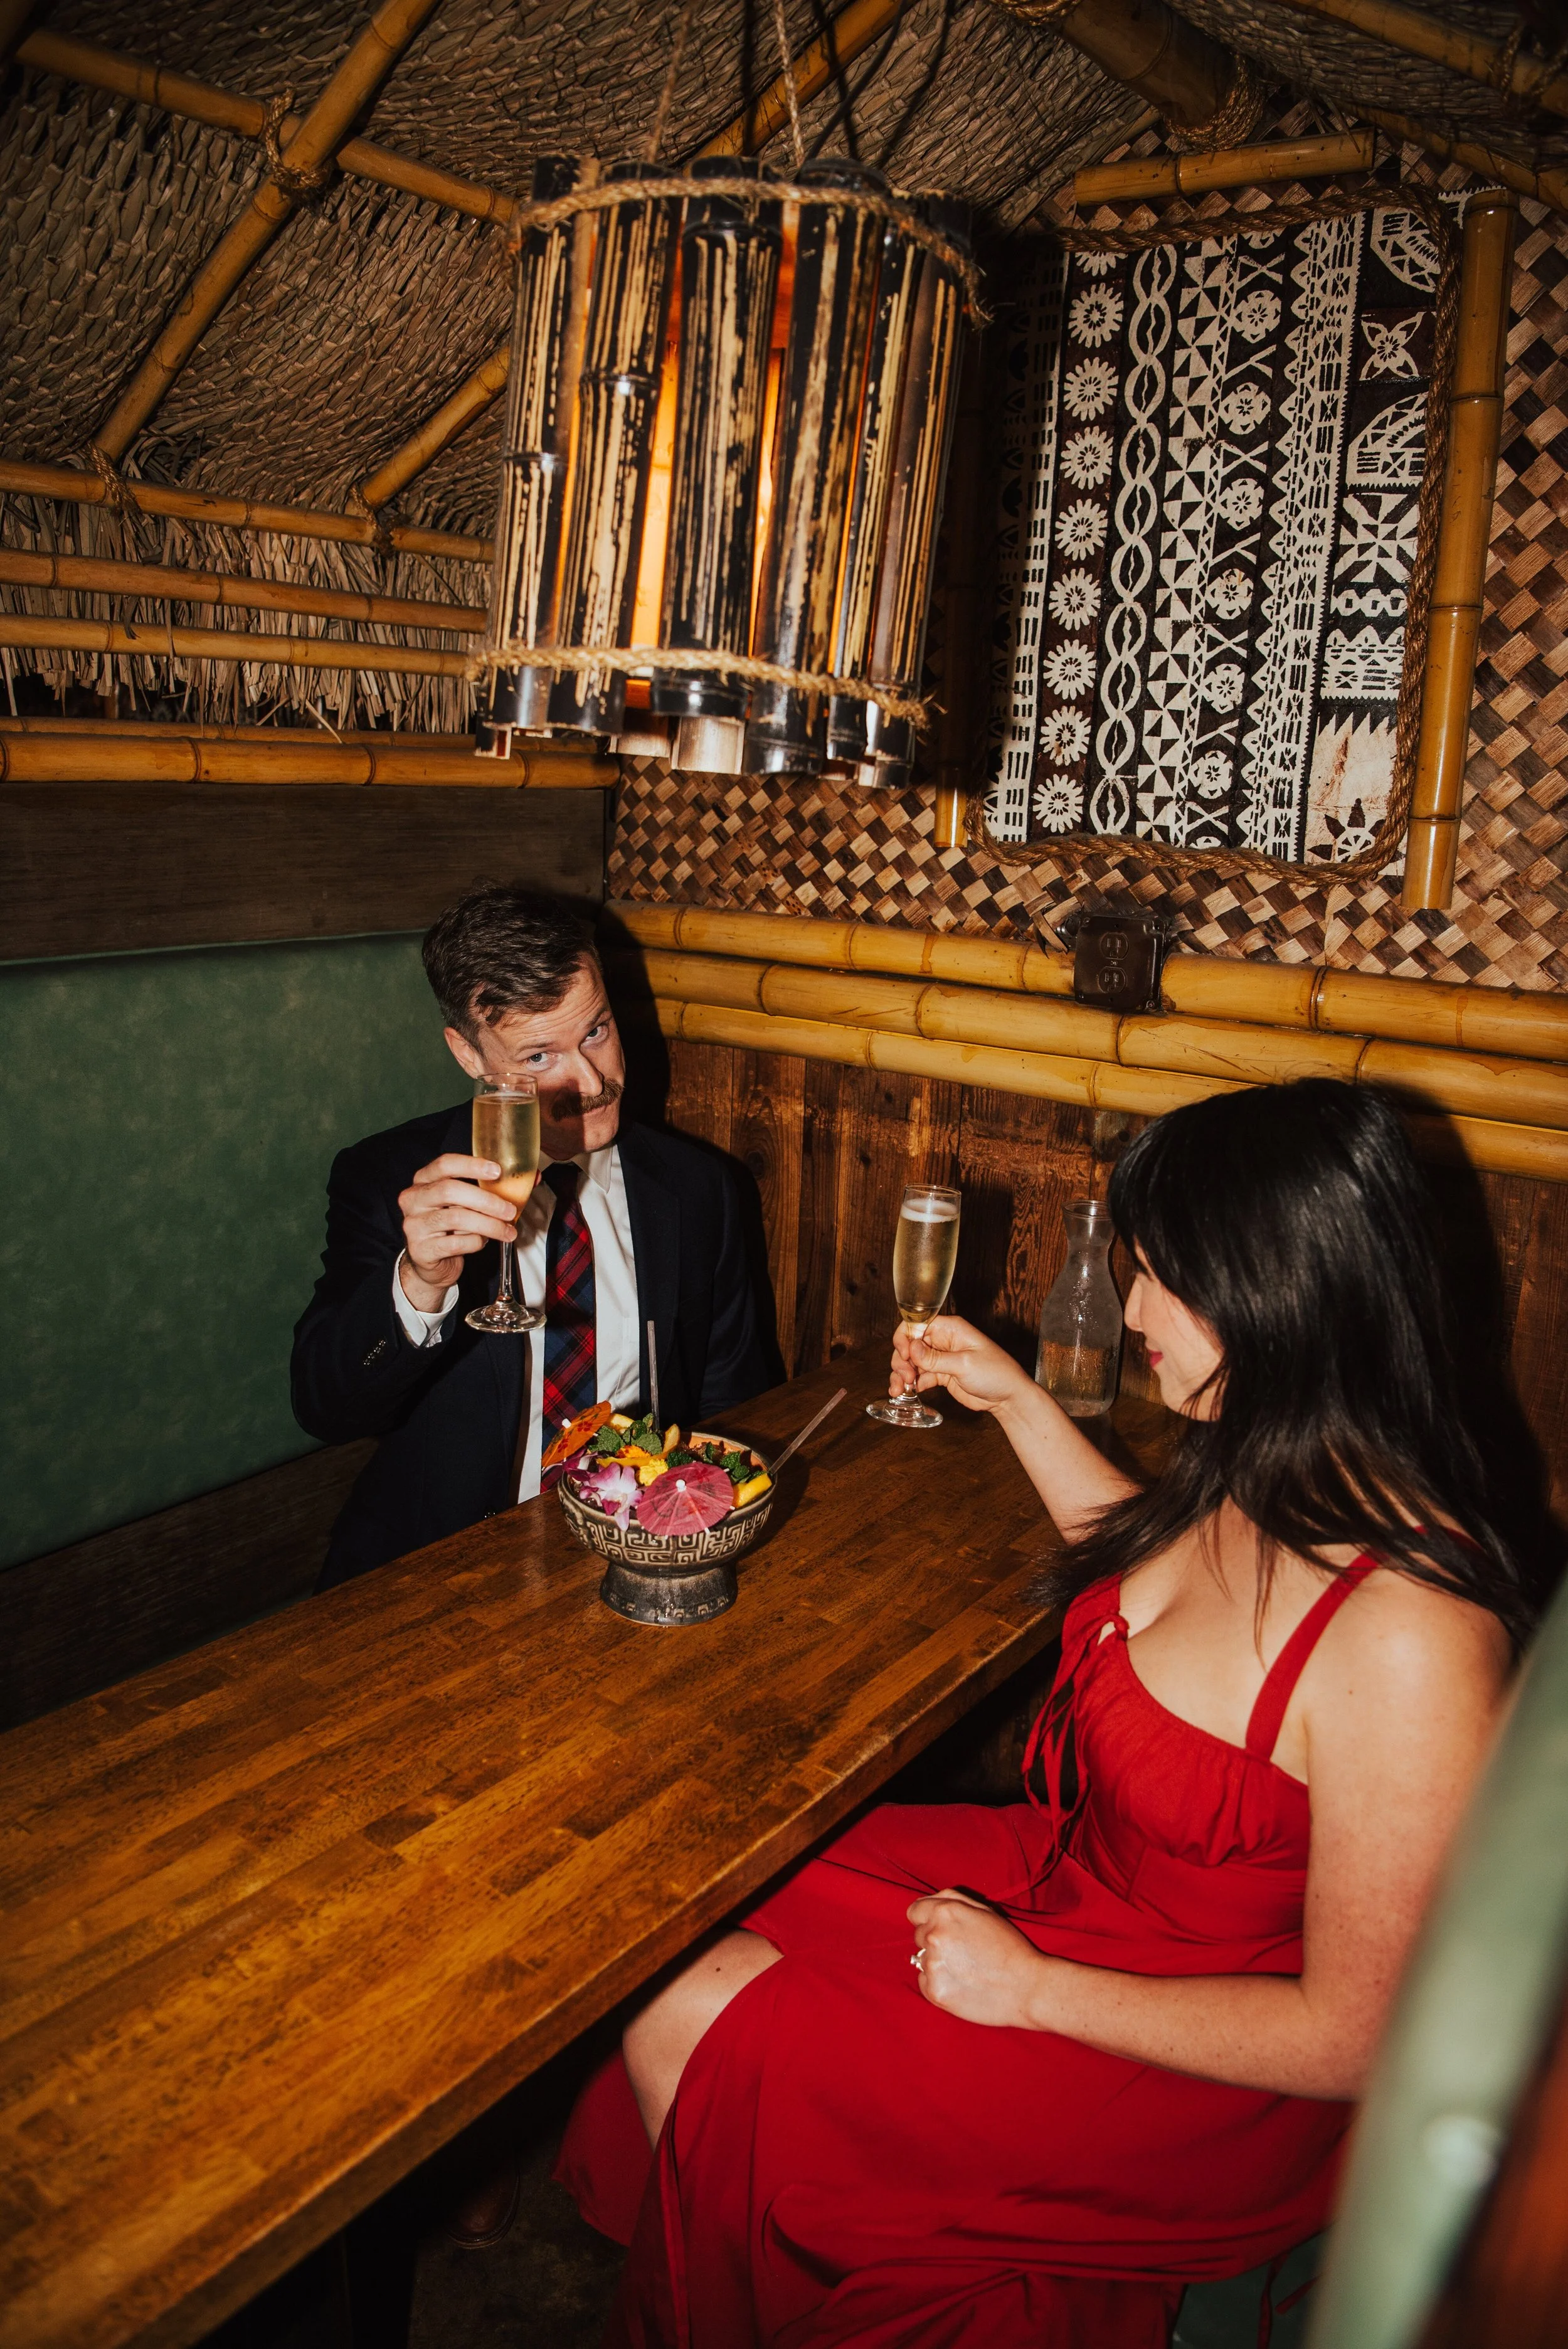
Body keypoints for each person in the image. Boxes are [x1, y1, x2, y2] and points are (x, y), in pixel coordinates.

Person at [556, 1078, 1534, 2348]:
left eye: (1159, 1277)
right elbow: (1152, 1592)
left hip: (1199, 2061)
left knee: (708, 2012)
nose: (1127, 1309)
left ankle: (789, 2276)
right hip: (1083, 1881)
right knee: (688, 1896)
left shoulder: (1411, 1634)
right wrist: (1014, 1397)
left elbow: (1355, 2038)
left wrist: (1028, 1992)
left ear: (1279, 1290)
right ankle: (771, 2250)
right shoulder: (1272, 1448)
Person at [291, 883, 775, 1588]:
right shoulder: (389, 1178)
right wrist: (418, 1283)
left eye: (596, 1032)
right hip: (433, 1576)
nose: (589, 1082)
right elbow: (326, 1409)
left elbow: (737, 1409)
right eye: (540, 1057)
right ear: (469, 1055)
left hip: (629, 1562)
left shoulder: (700, 1190)